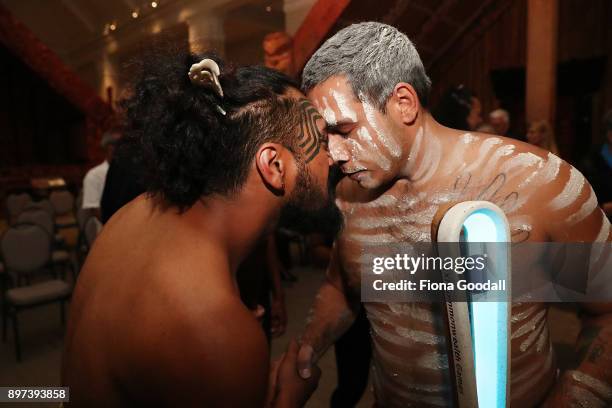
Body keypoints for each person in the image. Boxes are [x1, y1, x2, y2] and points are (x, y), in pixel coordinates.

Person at [293, 22, 612, 407]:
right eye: (325, 138)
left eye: (344, 129)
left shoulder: (538, 184)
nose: (335, 155)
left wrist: (577, 394)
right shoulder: (351, 196)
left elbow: (606, 311)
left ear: (404, 103)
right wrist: (307, 348)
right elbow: (342, 285)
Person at [63, 51, 343, 407]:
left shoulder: (134, 213)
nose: (333, 156)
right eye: (320, 141)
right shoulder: (215, 330)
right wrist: (288, 397)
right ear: (273, 164)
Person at [81, 131, 118, 219]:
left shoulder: (127, 174)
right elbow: (94, 210)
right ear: (106, 149)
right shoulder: (94, 175)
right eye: (114, 145)